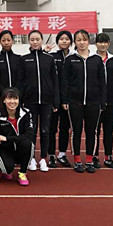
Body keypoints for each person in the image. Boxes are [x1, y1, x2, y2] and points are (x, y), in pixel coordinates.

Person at [61, 29, 106, 173]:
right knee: (76, 131)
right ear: (75, 42)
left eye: (84, 39)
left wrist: (102, 101)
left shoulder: (96, 59)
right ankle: (77, 160)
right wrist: (65, 100)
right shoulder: (70, 59)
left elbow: (102, 82)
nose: (82, 43)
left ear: (89, 41)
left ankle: (89, 160)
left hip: (93, 102)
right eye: (79, 40)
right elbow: (65, 81)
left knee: (92, 131)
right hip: (75, 102)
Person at [17, 30, 59, 173]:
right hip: (30, 101)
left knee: (45, 130)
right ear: (29, 41)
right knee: (31, 130)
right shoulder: (24, 59)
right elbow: (20, 82)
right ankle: (31, 158)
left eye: (37, 39)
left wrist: (55, 101)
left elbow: (55, 81)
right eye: (32, 40)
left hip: (46, 101)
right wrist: (20, 101)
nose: (35, 42)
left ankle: (43, 158)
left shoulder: (49, 59)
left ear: (42, 40)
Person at [93, 33, 113, 169]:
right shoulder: (92, 59)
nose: (102, 45)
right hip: (95, 101)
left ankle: (108, 156)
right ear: (96, 44)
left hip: (111, 101)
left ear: (108, 44)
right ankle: (94, 156)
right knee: (95, 131)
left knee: (108, 130)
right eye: (100, 42)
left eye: (105, 42)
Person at [0, 88, 35, 186]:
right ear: (4, 100)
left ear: (19, 100)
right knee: (7, 169)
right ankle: (7, 169)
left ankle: (22, 173)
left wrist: (8, 138)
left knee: (27, 143)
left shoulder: (26, 114)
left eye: (15, 99)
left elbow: (29, 135)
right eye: (9, 99)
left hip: (21, 148)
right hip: (7, 149)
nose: (12, 102)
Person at [48, 30, 73, 168]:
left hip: (68, 101)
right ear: (57, 41)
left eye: (67, 39)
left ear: (71, 41)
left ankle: (62, 154)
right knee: (51, 128)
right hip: (54, 99)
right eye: (61, 39)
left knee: (65, 128)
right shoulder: (52, 57)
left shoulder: (74, 57)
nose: (64, 41)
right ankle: (51, 154)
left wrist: (67, 99)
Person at [0, 30, 21, 106]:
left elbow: (21, 77)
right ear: (0, 41)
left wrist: (16, 91)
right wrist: (4, 92)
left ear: (12, 41)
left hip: (17, 95)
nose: (6, 43)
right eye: (3, 40)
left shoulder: (18, 58)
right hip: (1, 95)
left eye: (8, 40)